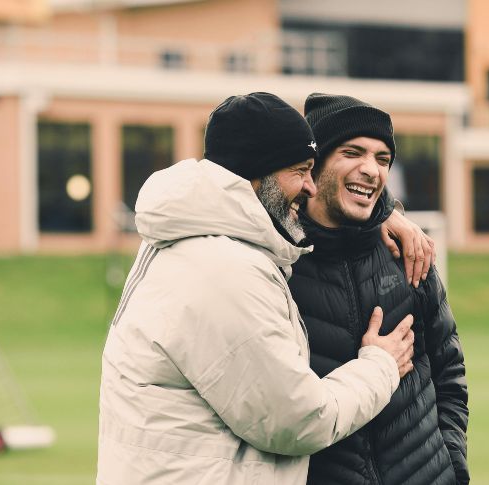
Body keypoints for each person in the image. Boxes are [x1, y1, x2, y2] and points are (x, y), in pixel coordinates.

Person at [97, 92, 431, 484]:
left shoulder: (200, 236)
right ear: (256, 173)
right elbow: (298, 420)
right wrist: (381, 365)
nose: (309, 187)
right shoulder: (222, 271)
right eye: (300, 170)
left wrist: (381, 213)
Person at [288, 93, 469, 485]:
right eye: (353, 153)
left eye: (383, 159)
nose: (371, 170)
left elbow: (449, 373)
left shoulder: (409, 255)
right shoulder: (278, 266)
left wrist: (452, 465)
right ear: (312, 166)